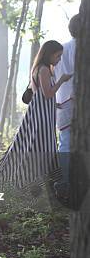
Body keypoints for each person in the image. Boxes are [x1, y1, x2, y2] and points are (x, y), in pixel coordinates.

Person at [0, 40, 72, 194]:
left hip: (44, 112)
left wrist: (55, 105)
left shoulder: (41, 68)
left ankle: (47, 182)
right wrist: (61, 81)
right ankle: (38, 181)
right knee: (43, 146)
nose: (58, 60)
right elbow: (48, 93)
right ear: (49, 54)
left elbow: (42, 95)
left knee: (37, 145)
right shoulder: (43, 70)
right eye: (57, 56)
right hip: (41, 117)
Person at [52, 14, 79, 198]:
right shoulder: (81, 48)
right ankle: (67, 182)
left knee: (65, 143)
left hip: (61, 101)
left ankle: (64, 181)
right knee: (69, 142)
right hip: (75, 101)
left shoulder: (61, 49)